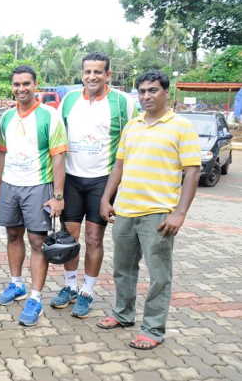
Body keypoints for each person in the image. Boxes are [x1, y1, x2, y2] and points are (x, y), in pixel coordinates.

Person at [97, 70, 200, 350]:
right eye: (142, 91)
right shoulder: (132, 126)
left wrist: (179, 213)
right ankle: (123, 314)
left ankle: (153, 329)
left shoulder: (181, 127)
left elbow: (192, 171)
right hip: (125, 210)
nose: (146, 96)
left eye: (152, 90)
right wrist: (106, 198)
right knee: (123, 269)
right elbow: (119, 165)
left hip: (158, 212)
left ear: (166, 92)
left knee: (159, 275)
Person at [51, 52, 137, 318]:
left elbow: (132, 143)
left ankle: (87, 291)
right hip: (71, 179)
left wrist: (118, 190)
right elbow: (58, 141)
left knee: (93, 238)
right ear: (82, 74)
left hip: (102, 180)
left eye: (98, 71)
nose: (92, 76)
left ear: (108, 75)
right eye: (87, 71)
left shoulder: (123, 102)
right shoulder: (69, 100)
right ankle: (70, 286)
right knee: (69, 238)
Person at [0, 66, 68, 326]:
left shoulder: (49, 115)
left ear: (35, 85)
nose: (21, 89)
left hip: (38, 185)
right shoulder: (7, 117)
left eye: (26, 84)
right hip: (10, 185)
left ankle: (35, 298)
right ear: (12, 87)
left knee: (37, 241)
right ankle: (16, 284)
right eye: (16, 84)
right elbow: (2, 152)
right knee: (13, 235)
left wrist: (58, 196)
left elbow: (59, 156)